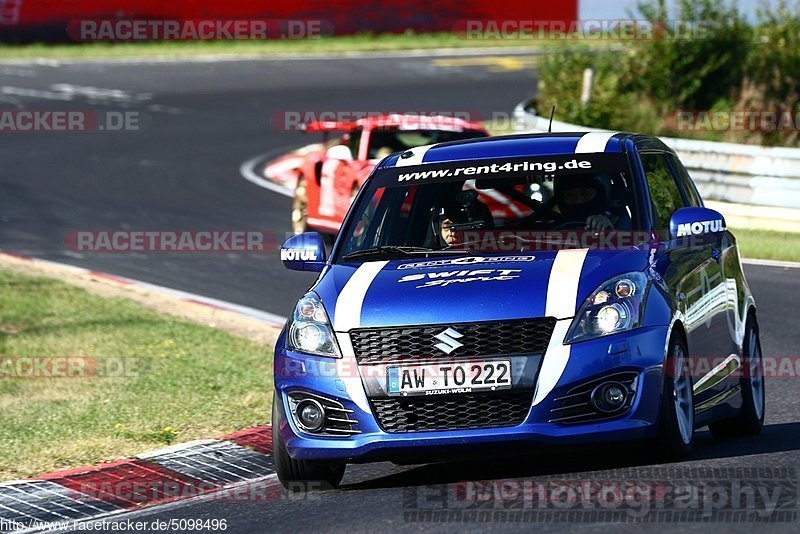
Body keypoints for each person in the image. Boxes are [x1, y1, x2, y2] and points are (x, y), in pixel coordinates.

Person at [553, 175, 618, 231]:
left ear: (599, 194)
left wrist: (609, 230)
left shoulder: (620, 220)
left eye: (585, 194)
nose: (579, 200)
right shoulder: (552, 229)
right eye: (571, 196)